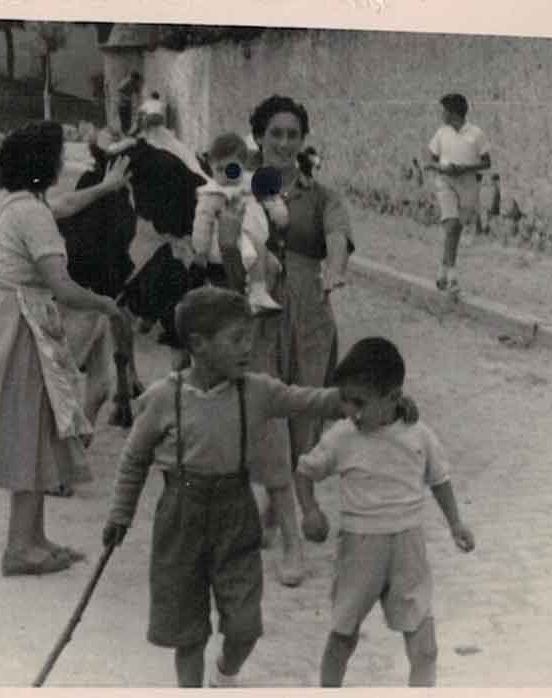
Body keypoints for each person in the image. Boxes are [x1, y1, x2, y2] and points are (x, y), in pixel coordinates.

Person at [102, 286, 350, 687]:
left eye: (248, 338)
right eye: (236, 339)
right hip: (180, 520)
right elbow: (134, 460)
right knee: (188, 633)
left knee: (245, 626)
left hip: (235, 516)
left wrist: (355, 397)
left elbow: (308, 400)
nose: (247, 348)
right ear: (199, 345)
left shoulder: (256, 391)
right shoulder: (165, 398)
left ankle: (223, 675)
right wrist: (119, 514)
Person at [0, 121, 129, 576]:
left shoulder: (20, 203)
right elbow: (62, 285)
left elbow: (68, 203)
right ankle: (19, 547)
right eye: (56, 157)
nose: (61, 164)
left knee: (36, 429)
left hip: (13, 320)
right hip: (21, 327)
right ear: (43, 165)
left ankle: (33, 538)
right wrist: (105, 304)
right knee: (29, 431)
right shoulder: (32, 215)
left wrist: (108, 186)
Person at [215, 95, 355, 584]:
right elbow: (231, 270)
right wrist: (230, 242)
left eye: (293, 134)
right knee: (269, 422)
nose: (284, 143)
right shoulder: (238, 189)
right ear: (259, 136)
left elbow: (336, 238)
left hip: (311, 318)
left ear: (303, 140)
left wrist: (335, 270)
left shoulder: (321, 196)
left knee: (305, 424)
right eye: (275, 133)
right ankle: (294, 541)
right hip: (257, 316)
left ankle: (286, 508)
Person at [296, 337, 475, 687]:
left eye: (359, 402)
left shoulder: (419, 435)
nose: (349, 409)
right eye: (345, 399)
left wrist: (456, 522)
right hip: (360, 550)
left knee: (425, 648)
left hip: (408, 549)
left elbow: (439, 477)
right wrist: (310, 510)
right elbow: (305, 471)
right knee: (343, 637)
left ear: (393, 397)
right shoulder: (342, 437)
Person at [191, 132, 281, 315]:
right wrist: (200, 250)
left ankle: (260, 298)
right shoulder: (213, 194)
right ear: (211, 168)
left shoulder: (247, 181)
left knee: (271, 265)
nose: (224, 175)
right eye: (219, 169)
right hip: (226, 252)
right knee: (232, 288)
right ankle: (251, 299)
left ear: (242, 165)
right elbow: (202, 223)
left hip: (253, 241)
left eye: (231, 169)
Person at [424, 93, 491, 294]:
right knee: (451, 224)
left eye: (444, 110)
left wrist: (465, 168)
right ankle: (452, 275)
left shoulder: (476, 134)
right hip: (445, 182)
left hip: (468, 184)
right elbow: (430, 158)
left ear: (453, 113)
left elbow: (487, 162)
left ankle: (443, 269)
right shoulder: (441, 133)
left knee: (456, 228)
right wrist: (441, 167)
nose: (442, 114)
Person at [116, 71, 142, 135]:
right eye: (136, 80)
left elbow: (138, 92)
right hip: (122, 104)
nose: (136, 82)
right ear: (132, 78)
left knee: (129, 119)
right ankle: (124, 133)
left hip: (128, 103)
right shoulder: (125, 82)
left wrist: (139, 101)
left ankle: (128, 133)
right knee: (124, 120)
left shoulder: (134, 83)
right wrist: (126, 97)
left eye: (137, 81)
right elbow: (119, 92)